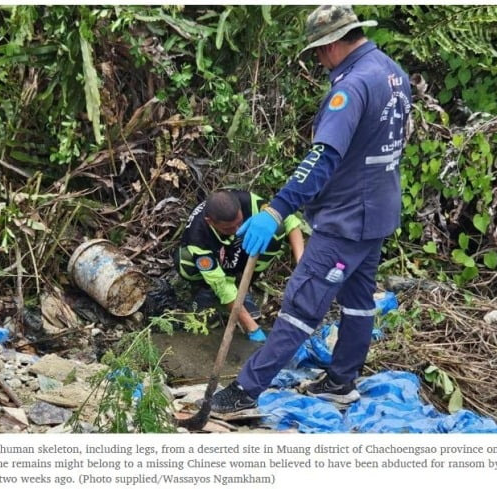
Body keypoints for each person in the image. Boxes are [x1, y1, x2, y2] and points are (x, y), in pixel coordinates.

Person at [208, 5, 412, 411]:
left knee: (302, 304)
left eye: (319, 51)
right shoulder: (392, 72)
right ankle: (341, 382)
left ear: (334, 44)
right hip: (379, 211)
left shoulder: (350, 88)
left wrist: (276, 210)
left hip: (347, 219)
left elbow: (322, 158)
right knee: (358, 301)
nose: (319, 60)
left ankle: (245, 391)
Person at [176, 190, 305, 342]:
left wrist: (302, 265)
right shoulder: (197, 237)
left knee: (276, 227)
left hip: (242, 251)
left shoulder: (247, 201)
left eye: (239, 223)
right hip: (217, 259)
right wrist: (253, 329)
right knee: (185, 261)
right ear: (210, 222)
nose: (237, 230)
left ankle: (243, 288)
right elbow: (221, 286)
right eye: (229, 228)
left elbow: (288, 220)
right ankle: (206, 292)